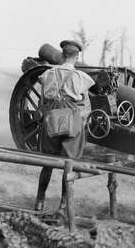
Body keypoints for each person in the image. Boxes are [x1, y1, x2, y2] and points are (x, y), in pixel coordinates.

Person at [34, 40, 95, 212]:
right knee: (69, 164)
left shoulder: (48, 74)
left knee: (47, 163)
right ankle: (62, 206)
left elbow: (43, 99)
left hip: (51, 120)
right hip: (72, 121)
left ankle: (39, 201)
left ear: (61, 55)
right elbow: (85, 106)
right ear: (77, 56)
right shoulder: (81, 78)